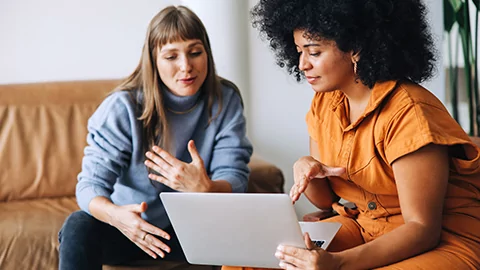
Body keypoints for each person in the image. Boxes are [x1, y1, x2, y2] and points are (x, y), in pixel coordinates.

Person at [223, 0, 480, 269]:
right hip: (362, 227)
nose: (302, 64)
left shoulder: (410, 113)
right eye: (299, 51)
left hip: (445, 241)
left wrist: (337, 263)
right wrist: (306, 168)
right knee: (244, 262)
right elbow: (326, 201)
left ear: (355, 48)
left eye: (314, 52)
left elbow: (422, 229)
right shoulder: (325, 102)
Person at [58, 5, 253, 270]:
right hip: (131, 227)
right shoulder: (123, 106)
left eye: (195, 52)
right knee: (78, 225)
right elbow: (90, 186)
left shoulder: (225, 98)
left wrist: (205, 187)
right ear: (153, 60)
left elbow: (235, 177)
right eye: (171, 56)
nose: (186, 67)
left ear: (207, 53)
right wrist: (117, 217)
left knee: (250, 227)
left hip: (192, 228)